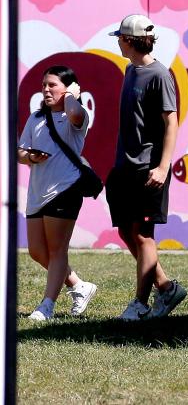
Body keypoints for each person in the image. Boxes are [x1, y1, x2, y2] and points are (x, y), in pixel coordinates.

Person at [107, 14, 187, 321]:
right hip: (124, 167)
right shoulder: (131, 70)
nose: (117, 42)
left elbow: (171, 121)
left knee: (143, 235)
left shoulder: (159, 74)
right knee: (127, 231)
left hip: (148, 169)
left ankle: (140, 303)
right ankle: (166, 288)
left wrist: (163, 167)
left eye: (120, 38)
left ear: (129, 40)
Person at [17, 66, 98, 320]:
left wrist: (73, 96)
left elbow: (75, 113)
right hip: (37, 193)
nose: (46, 90)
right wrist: (31, 156)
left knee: (56, 250)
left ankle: (46, 305)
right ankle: (78, 285)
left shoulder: (76, 115)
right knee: (37, 251)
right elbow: (20, 152)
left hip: (66, 189)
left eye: (53, 85)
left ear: (69, 88)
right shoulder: (36, 118)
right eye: (44, 85)